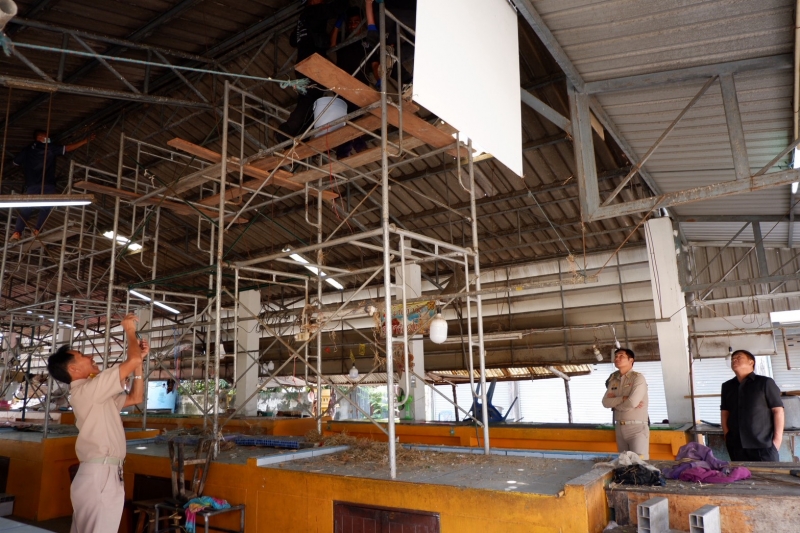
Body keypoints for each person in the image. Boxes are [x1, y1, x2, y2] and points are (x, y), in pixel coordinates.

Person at [47, 313, 147, 533]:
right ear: (73, 369)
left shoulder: (94, 394)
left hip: (104, 473)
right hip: (101, 474)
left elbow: (135, 398)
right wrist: (129, 330)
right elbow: (131, 361)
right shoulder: (89, 391)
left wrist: (138, 364)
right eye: (82, 355)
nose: (91, 356)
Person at [278, 0, 348, 139]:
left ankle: (299, 136)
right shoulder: (314, 11)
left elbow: (293, 40)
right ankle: (287, 130)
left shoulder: (303, 18)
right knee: (310, 98)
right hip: (312, 64)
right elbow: (340, 6)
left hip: (303, 64)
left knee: (310, 100)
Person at [10, 129, 94, 241]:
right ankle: (37, 230)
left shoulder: (27, 150)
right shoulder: (49, 147)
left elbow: (15, 162)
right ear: (40, 137)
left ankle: (17, 233)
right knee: (46, 207)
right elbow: (67, 148)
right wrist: (85, 141)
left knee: (27, 209)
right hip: (47, 183)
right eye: (46, 137)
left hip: (32, 184)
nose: (48, 139)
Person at [720, 349, 784, 462]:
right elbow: (725, 412)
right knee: (740, 474)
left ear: (751, 362)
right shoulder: (727, 386)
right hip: (736, 445)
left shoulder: (765, 382)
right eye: (733, 359)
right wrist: (727, 436)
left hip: (763, 446)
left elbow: (778, 410)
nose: (734, 360)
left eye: (739, 357)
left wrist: (777, 441)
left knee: (768, 474)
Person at [602, 347, 650, 459]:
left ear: (631, 360)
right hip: (619, 427)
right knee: (624, 463)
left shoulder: (638, 378)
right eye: (616, 356)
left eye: (621, 356)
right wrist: (623, 398)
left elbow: (632, 402)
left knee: (639, 463)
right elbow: (605, 402)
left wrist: (615, 405)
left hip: (636, 428)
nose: (617, 358)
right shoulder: (613, 379)